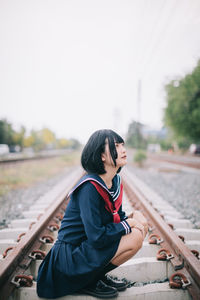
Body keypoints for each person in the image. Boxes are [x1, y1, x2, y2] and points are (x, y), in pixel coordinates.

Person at [37, 129, 148, 299]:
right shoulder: (89, 187)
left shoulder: (113, 181)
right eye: (116, 146)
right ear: (102, 156)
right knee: (135, 237)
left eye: (122, 145)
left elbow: (115, 218)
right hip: (68, 259)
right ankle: (86, 281)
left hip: (86, 250)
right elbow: (96, 236)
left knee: (140, 228)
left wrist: (133, 217)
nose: (124, 150)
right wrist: (128, 224)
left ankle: (94, 276)